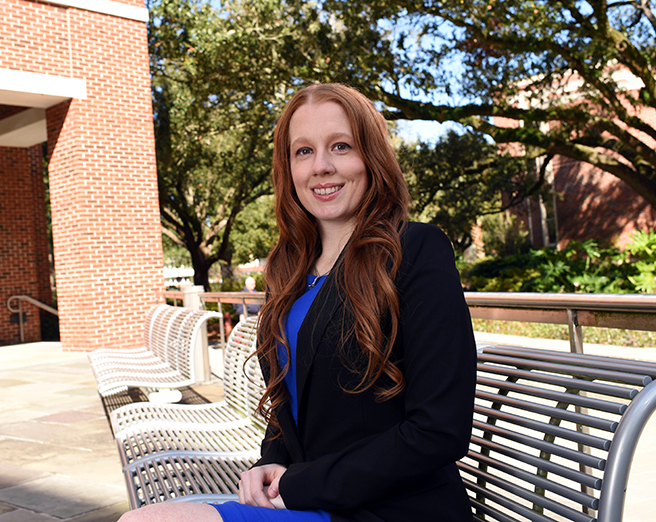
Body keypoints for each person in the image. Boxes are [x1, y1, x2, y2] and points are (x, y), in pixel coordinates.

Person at [118, 83, 476, 522]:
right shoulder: (289, 270)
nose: (321, 166)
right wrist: (271, 460)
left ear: (372, 157)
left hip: (390, 508)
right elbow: (297, 399)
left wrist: (298, 485)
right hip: (312, 499)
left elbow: (440, 430)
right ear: (288, 168)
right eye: (303, 152)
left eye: (340, 146)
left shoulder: (415, 250)